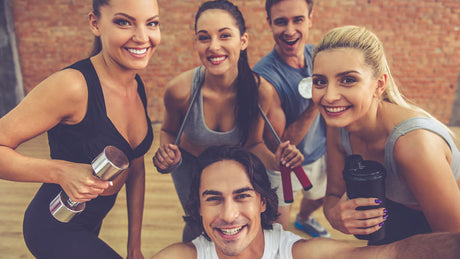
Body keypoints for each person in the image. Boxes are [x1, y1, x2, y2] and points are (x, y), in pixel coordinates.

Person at [0, 0, 160, 257]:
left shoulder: (136, 84)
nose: (142, 37)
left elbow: (136, 169)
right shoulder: (73, 86)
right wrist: (60, 171)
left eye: (151, 23)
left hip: (90, 222)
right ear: (95, 24)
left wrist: (134, 247)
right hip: (53, 225)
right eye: (124, 22)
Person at [153, 0, 303, 243]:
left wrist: (276, 160)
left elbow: (253, 145)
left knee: (234, 231)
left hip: (236, 172)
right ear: (196, 42)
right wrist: (167, 154)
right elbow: (169, 131)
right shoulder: (179, 91)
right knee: (198, 228)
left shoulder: (260, 92)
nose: (214, 46)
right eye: (204, 37)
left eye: (225, 36)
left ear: (243, 41)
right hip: (193, 168)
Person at [152, 145, 460, 259]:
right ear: (198, 208)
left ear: (262, 202)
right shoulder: (180, 256)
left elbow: (394, 253)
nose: (229, 215)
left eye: (242, 196)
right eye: (214, 199)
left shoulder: (299, 252)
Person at [312, 25, 460, 245]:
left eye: (348, 80)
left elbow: (452, 243)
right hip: (392, 224)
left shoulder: (413, 144)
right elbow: (333, 194)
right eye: (320, 81)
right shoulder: (339, 124)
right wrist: (335, 216)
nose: (329, 96)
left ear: (379, 85)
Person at [252, 0, 329, 237]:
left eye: (298, 20)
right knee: (277, 232)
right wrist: (315, 104)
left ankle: (304, 218)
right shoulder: (265, 79)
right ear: (269, 24)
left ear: (310, 18)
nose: (289, 30)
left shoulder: (320, 57)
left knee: (320, 197)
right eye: (280, 22)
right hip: (282, 167)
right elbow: (279, 144)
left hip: (318, 153)